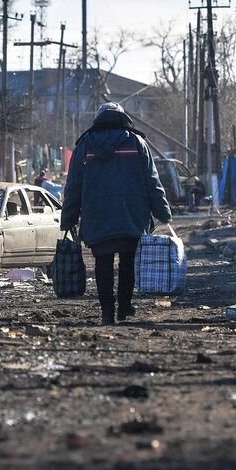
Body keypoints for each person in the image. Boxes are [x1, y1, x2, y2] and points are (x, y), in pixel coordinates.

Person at [60, 103, 171, 325]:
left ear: (99, 119)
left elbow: (73, 185)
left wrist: (68, 218)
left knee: (103, 264)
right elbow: (152, 181)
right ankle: (124, 308)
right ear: (123, 118)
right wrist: (163, 212)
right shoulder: (137, 142)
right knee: (128, 264)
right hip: (131, 215)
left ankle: (107, 313)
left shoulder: (85, 145)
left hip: (97, 216)